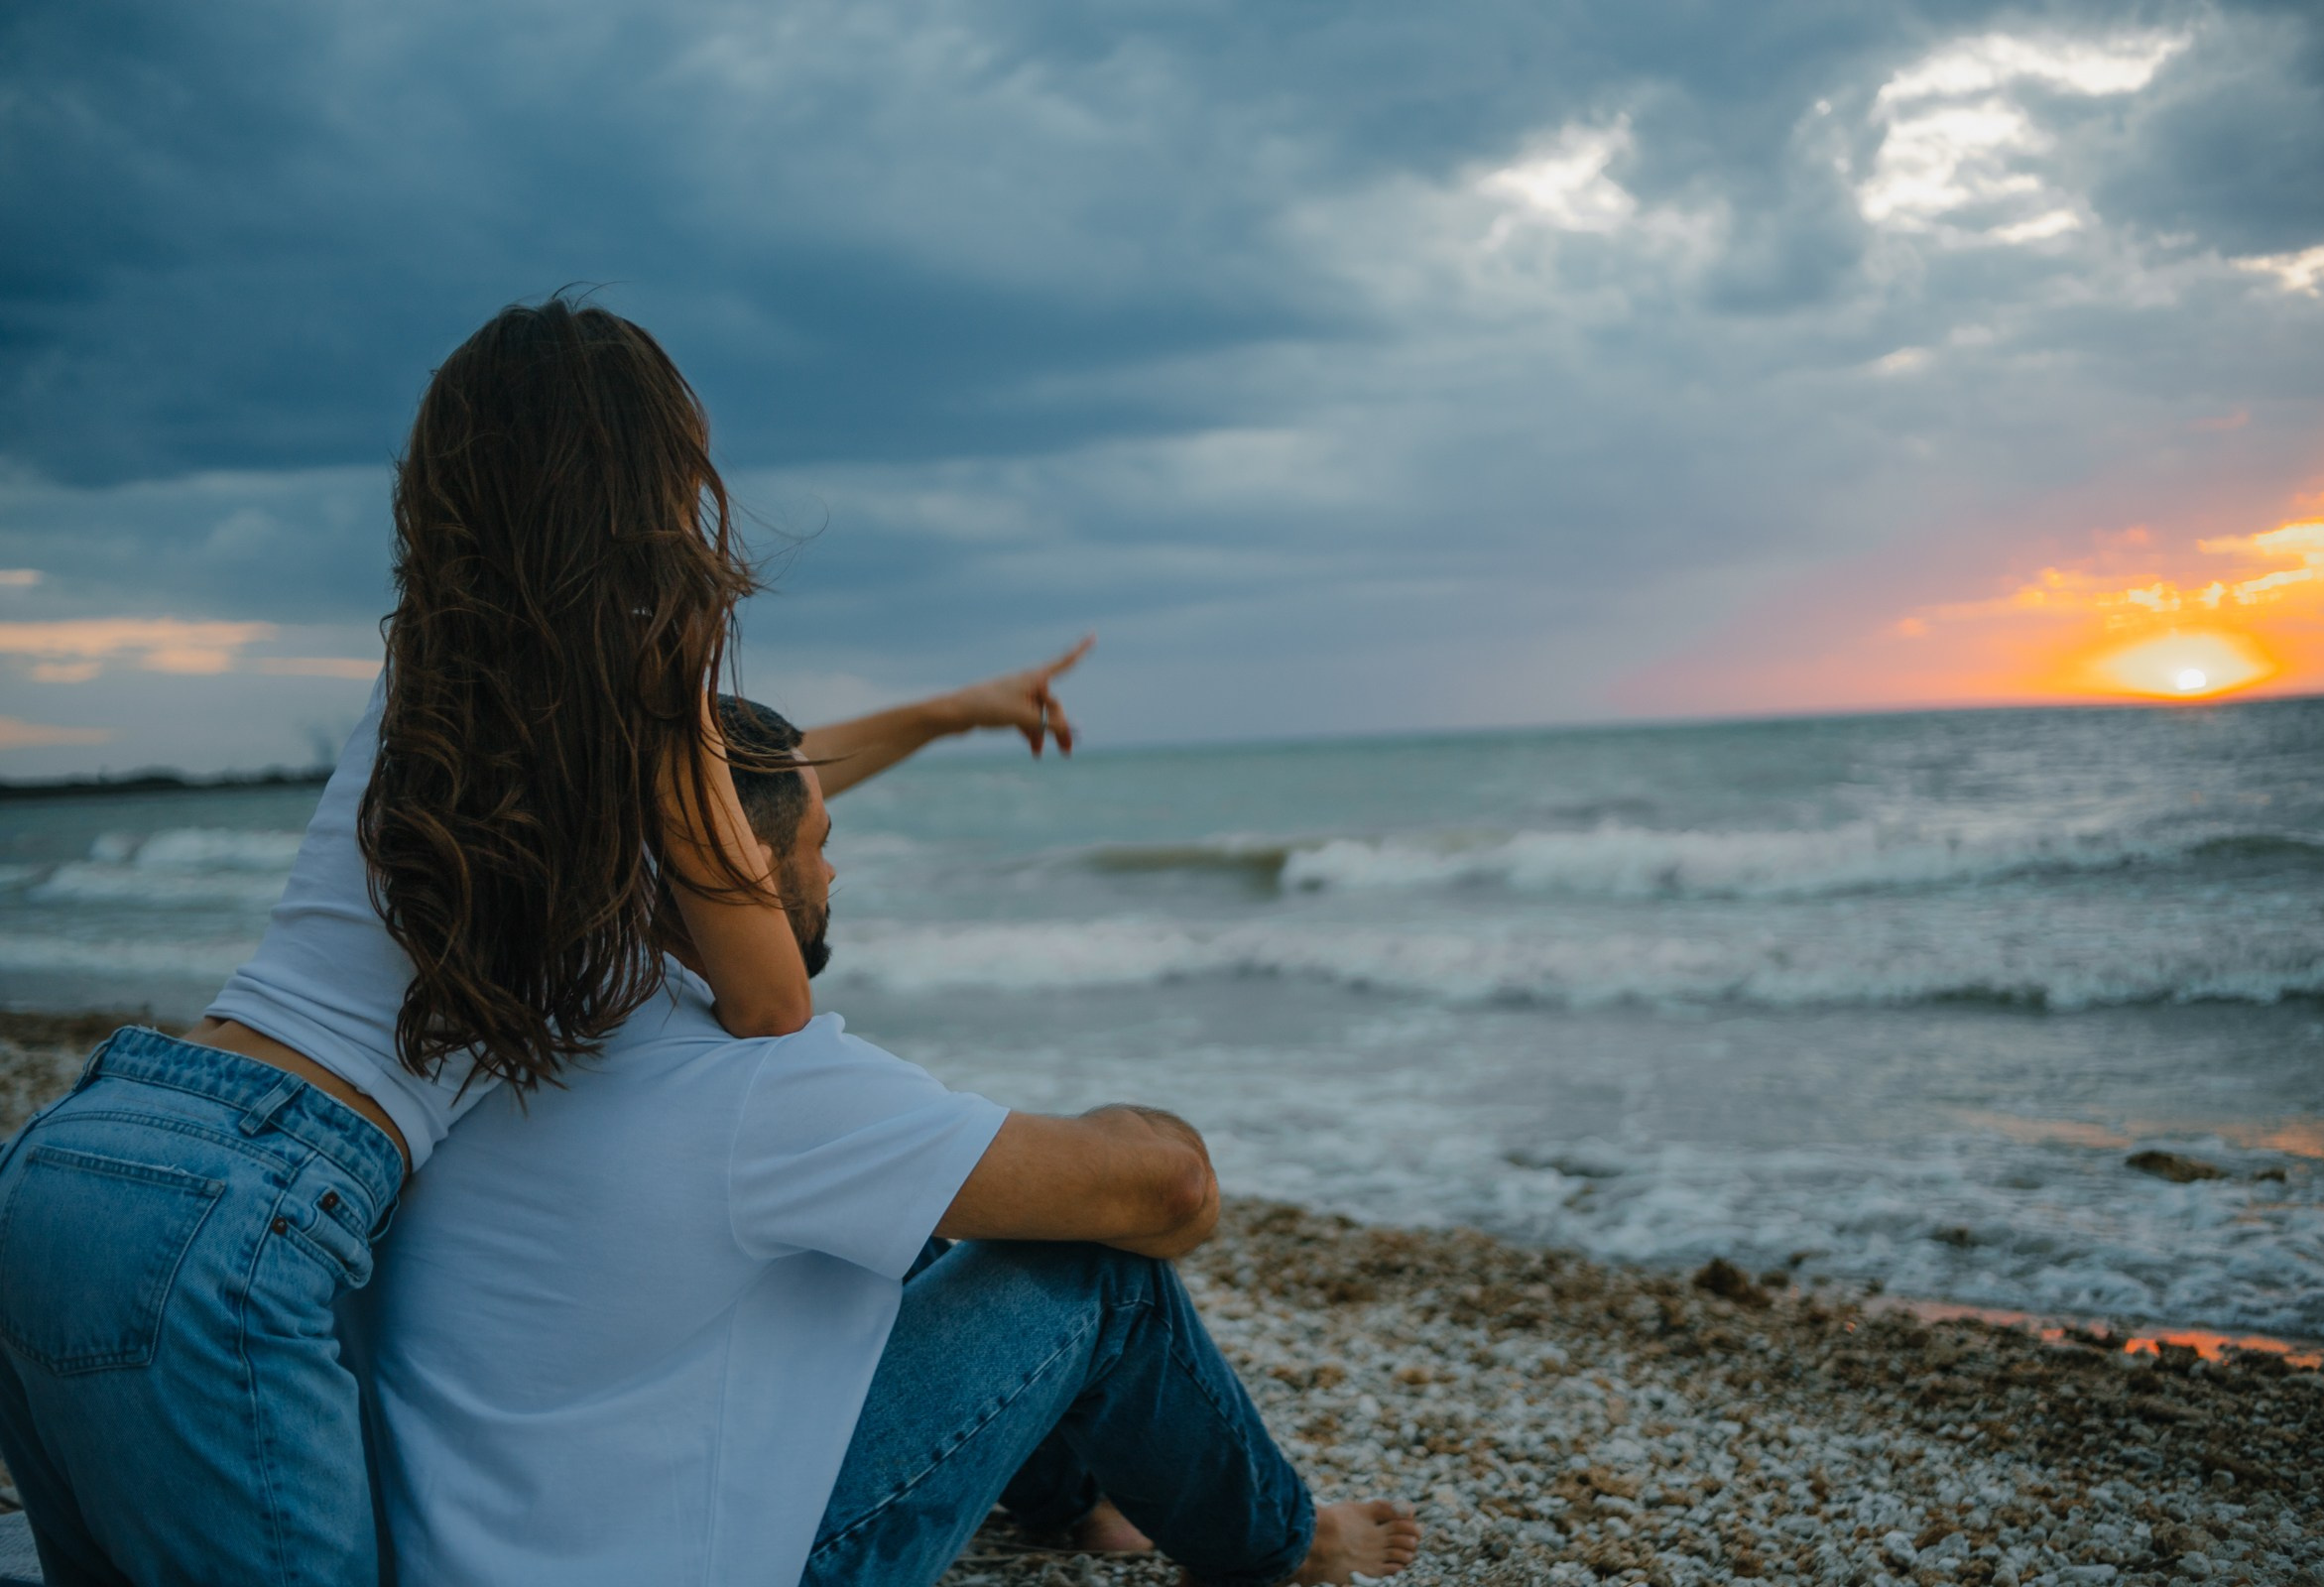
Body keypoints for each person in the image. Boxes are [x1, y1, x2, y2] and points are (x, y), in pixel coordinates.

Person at [0, 297, 1090, 1587]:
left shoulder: (427, 681)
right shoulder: (648, 700)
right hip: (259, 1207)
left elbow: (752, 793)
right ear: (654, 485)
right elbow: (773, 996)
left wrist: (953, 711)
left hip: (89, 1152)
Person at [351, 698, 1425, 1587]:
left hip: (485, 1540)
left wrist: (954, 710)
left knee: (895, 1223)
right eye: (822, 845)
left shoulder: (509, 1013)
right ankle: (1287, 1547)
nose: (833, 872)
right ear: (740, 871)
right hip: (703, 1563)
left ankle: (1072, 1492)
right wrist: (1146, 1128)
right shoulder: (755, 1082)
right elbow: (1172, 1195)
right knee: (1095, 1270)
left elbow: (756, 796)